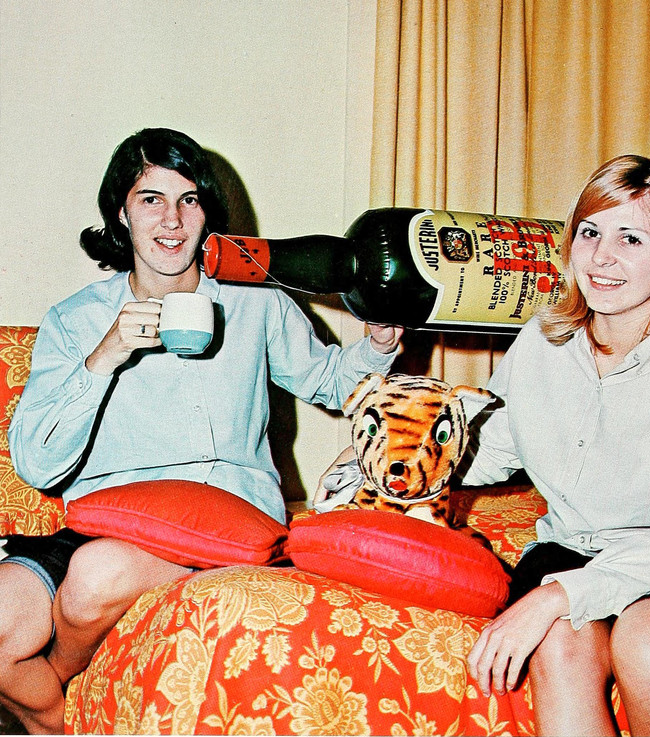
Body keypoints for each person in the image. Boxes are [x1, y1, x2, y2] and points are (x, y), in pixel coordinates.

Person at [1, 127, 402, 733]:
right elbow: (37, 463)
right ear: (121, 212)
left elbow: (331, 382)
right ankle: (61, 723)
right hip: (111, 519)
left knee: (96, 578)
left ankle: (61, 684)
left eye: (189, 199)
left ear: (206, 212)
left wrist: (378, 344)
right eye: (151, 198)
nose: (172, 220)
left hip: (229, 526)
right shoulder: (76, 319)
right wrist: (105, 356)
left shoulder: (254, 300)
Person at [461, 155, 650, 736]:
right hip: (571, 547)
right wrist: (389, 459)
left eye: (631, 238)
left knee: (647, 641)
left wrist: (557, 596)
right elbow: (491, 448)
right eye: (589, 232)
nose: (602, 256)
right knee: (559, 643)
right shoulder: (542, 341)